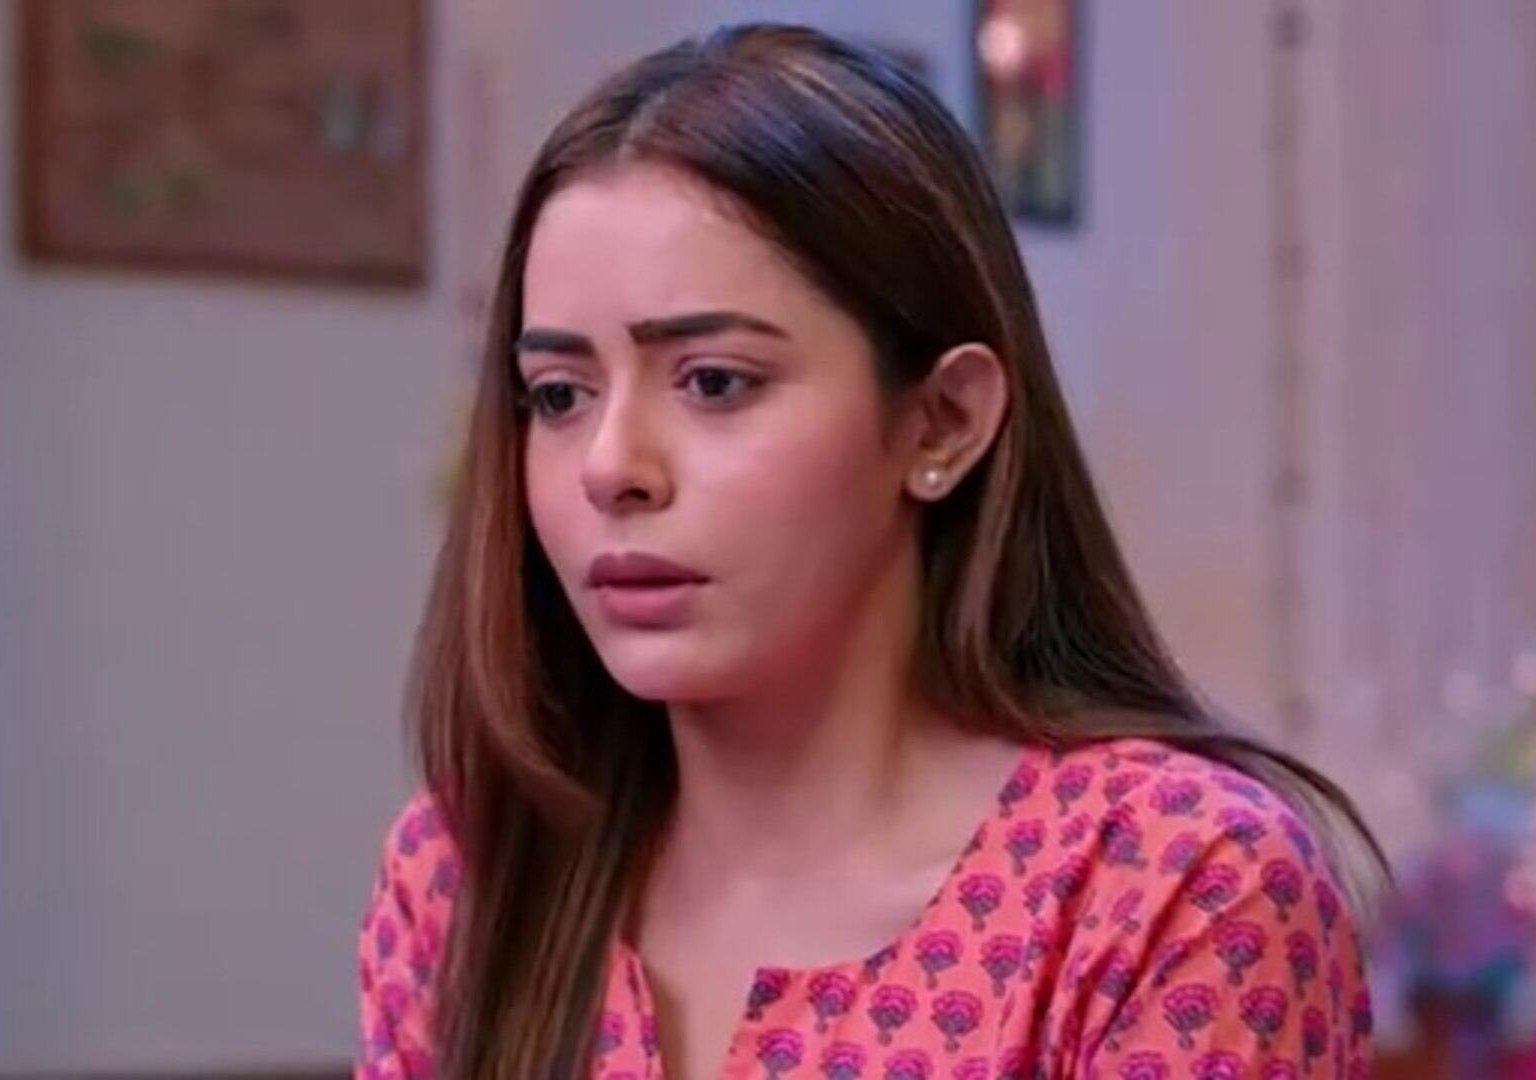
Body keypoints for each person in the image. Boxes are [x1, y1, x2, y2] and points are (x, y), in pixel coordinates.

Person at [357, 23, 1379, 1079]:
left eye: (714, 382)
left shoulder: (1171, 884)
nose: (611, 468)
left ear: (942, 422)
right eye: (560, 396)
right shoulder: (467, 876)